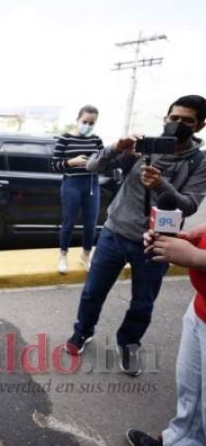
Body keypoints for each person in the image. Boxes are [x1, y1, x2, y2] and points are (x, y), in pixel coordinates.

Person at [64, 95, 206, 377]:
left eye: (187, 121)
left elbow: (190, 204)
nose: (178, 125)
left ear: (200, 126)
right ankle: (82, 332)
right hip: (115, 232)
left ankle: (128, 343)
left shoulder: (199, 161)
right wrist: (117, 147)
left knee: (143, 302)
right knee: (93, 292)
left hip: (158, 241)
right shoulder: (142, 146)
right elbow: (94, 166)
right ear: (166, 118)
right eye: (174, 118)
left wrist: (161, 184)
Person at [126, 224, 206, 445]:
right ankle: (179, 439)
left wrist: (197, 256)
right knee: (191, 391)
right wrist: (195, 236)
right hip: (200, 307)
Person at [51, 105, 104, 273]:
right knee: (69, 222)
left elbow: (105, 162)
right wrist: (70, 162)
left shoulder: (96, 140)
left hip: (92, 183)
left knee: (91, 224)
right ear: (77, 120)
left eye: (91, 122)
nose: (87, 125)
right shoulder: (65, 139)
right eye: (85, 121)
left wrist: (96, 163)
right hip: (72, 183)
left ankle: (86, 255)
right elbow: (53, 165)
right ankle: (63, 256)